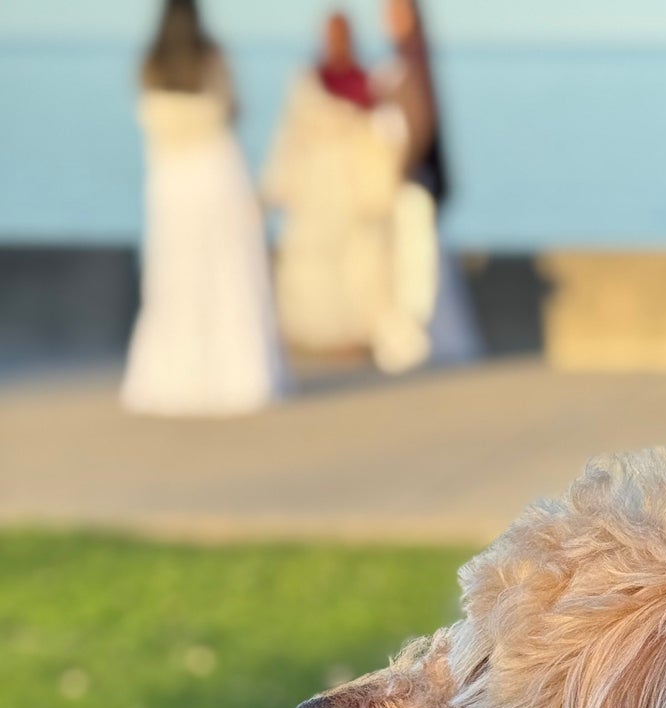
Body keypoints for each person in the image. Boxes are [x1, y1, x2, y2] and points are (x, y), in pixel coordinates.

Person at [122, 0, 284, 415]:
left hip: (170, 182)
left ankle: (177, 379)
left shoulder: (150, 64)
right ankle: (236, 378)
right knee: (227, 274)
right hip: (215, 174)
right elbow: (232, 108)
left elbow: (146, 118)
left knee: (175, 276)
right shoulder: (212, 57)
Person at [263, 12, 406, 358]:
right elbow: (289, 136)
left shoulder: (368, 82)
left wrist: (382, 189)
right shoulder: (308, 80)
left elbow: (381, 140)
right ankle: (307, 331)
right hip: (314, 185)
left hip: (352, 184)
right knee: (309, 258)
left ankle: (355, 333)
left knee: (358, 259)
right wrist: (272, 189)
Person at [369, 0, 479, 371]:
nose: (386, 18)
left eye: (394, 11)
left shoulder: (414, 62)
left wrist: (398, 169)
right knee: (419, 263)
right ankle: (425, 342)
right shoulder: (410, 59)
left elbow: (419, 125)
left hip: (412, 181)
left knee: (417, 267)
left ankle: (417, 344)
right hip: (412, 179)